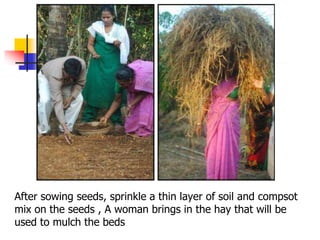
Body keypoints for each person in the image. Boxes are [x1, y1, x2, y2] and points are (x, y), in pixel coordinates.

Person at [81, 5, 130, 128]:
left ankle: (116, 119)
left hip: (114, 63)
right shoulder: (96, 27)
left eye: (108, 17)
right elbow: (90, 44)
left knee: (113, 88)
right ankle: (88, 118)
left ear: (113, 16)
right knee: (94, 87)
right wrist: (94, 53)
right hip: (97, 63)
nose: (105, 19)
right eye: (103, 17)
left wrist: (119, 44)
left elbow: (124, 48)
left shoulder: (120, 29)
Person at [197, 77, 241, 180]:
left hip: (231, 119)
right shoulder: (213, 79)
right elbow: (207, 102)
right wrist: (199, 122)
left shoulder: (239, 79)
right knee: (213, 149)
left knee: (229, 149)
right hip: (214, 119)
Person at [37, 56, 86, 144]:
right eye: (70, 76)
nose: (72, 78)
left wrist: (71, 98)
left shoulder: (81, 65)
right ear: (63, 70)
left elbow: (80, 83)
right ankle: (43, 130)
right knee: (45, 101)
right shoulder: (54, 74)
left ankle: (66, 130)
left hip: (66, 82)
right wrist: (64, 124)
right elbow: (57, 101)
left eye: (73, 77)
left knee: (78, 99)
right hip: (47, 78)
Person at [100, 60, 153, 137]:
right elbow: (117, 100)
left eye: (122, 84)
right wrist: (106, 117)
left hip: (147, 87)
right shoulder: (119, 83)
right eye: (119, 83)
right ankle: (135, 129)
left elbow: (144, 93)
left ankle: (144, 130)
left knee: (145, 107)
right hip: (136, 90)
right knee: (132, 111)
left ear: (131, 80)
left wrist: (131, 104)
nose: (120, 85)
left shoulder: (142, 78)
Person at [246, 78, 274, 170]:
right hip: (253, 115)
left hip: (264, 117)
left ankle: (260, 163)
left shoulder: (272, 83)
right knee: (252, 138)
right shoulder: (251, 79)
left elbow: (268, 101)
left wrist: (260, 88)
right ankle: (252, 162)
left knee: (263, 138)